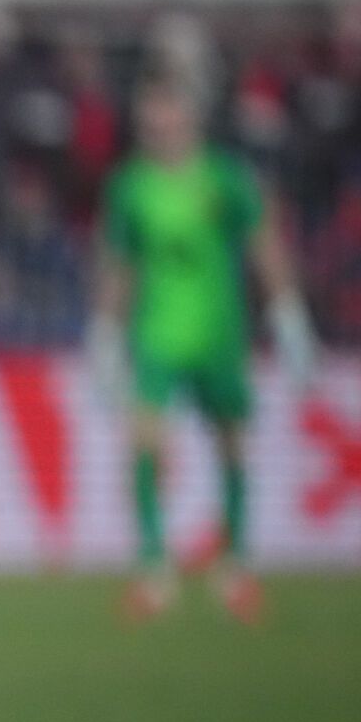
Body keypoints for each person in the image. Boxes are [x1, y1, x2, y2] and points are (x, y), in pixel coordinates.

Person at [89, 68, 318, 623]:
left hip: (220, 334)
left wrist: (289, 316)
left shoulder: (226, 178)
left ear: (190, 117)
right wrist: (105, 332)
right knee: (144, 440)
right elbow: (119, 265)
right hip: (157, 335)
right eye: (151, 115)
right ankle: (154, 570)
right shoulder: (130, 185)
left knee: (232, 445)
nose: (159, 125)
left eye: (168, 113)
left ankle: (234, 567)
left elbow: (263, 245)